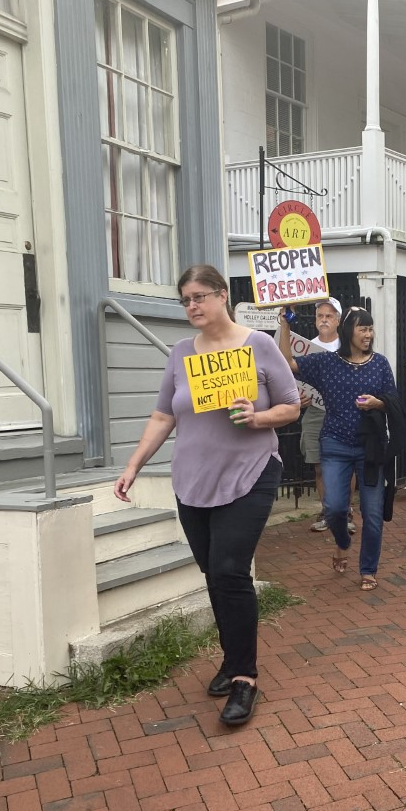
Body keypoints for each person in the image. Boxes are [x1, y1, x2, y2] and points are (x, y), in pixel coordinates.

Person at [114, 265, 300, 727]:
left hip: (249, 472)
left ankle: (244, 677)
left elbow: (292, 404)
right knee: (213, 574)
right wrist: (134, 464)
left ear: (222, 296)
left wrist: (256, 417)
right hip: (193, 480)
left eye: (199, 296)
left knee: (229, 570)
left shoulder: (255, 344)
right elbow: (163, 416)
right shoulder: (180, 353)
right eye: (185, 300)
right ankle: (230, 657)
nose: (192, 306)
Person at [278, 306, 397, 591]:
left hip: (370, 448)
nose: (368, 334)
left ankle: (368, 569)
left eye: (370, 329)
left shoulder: (380, 364)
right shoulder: (327, 363)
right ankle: (343, 542)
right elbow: (286, 362)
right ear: (348, 332)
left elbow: (393, 400)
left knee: (372, 513)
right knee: (333, 507)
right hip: (334, 444)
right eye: (363, 329)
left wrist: (377, 403)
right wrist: (284, 324)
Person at [290, 298, 354, 536]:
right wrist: (297, 398)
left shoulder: (348, 346)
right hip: (316, 411)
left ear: (338, 320)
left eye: (329, 315)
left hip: (344, 412)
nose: (324, 319)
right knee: (319, 465)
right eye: (320, 316)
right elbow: (292, 378)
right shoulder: (305, 348)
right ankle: (328, 511)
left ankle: (345, 511)